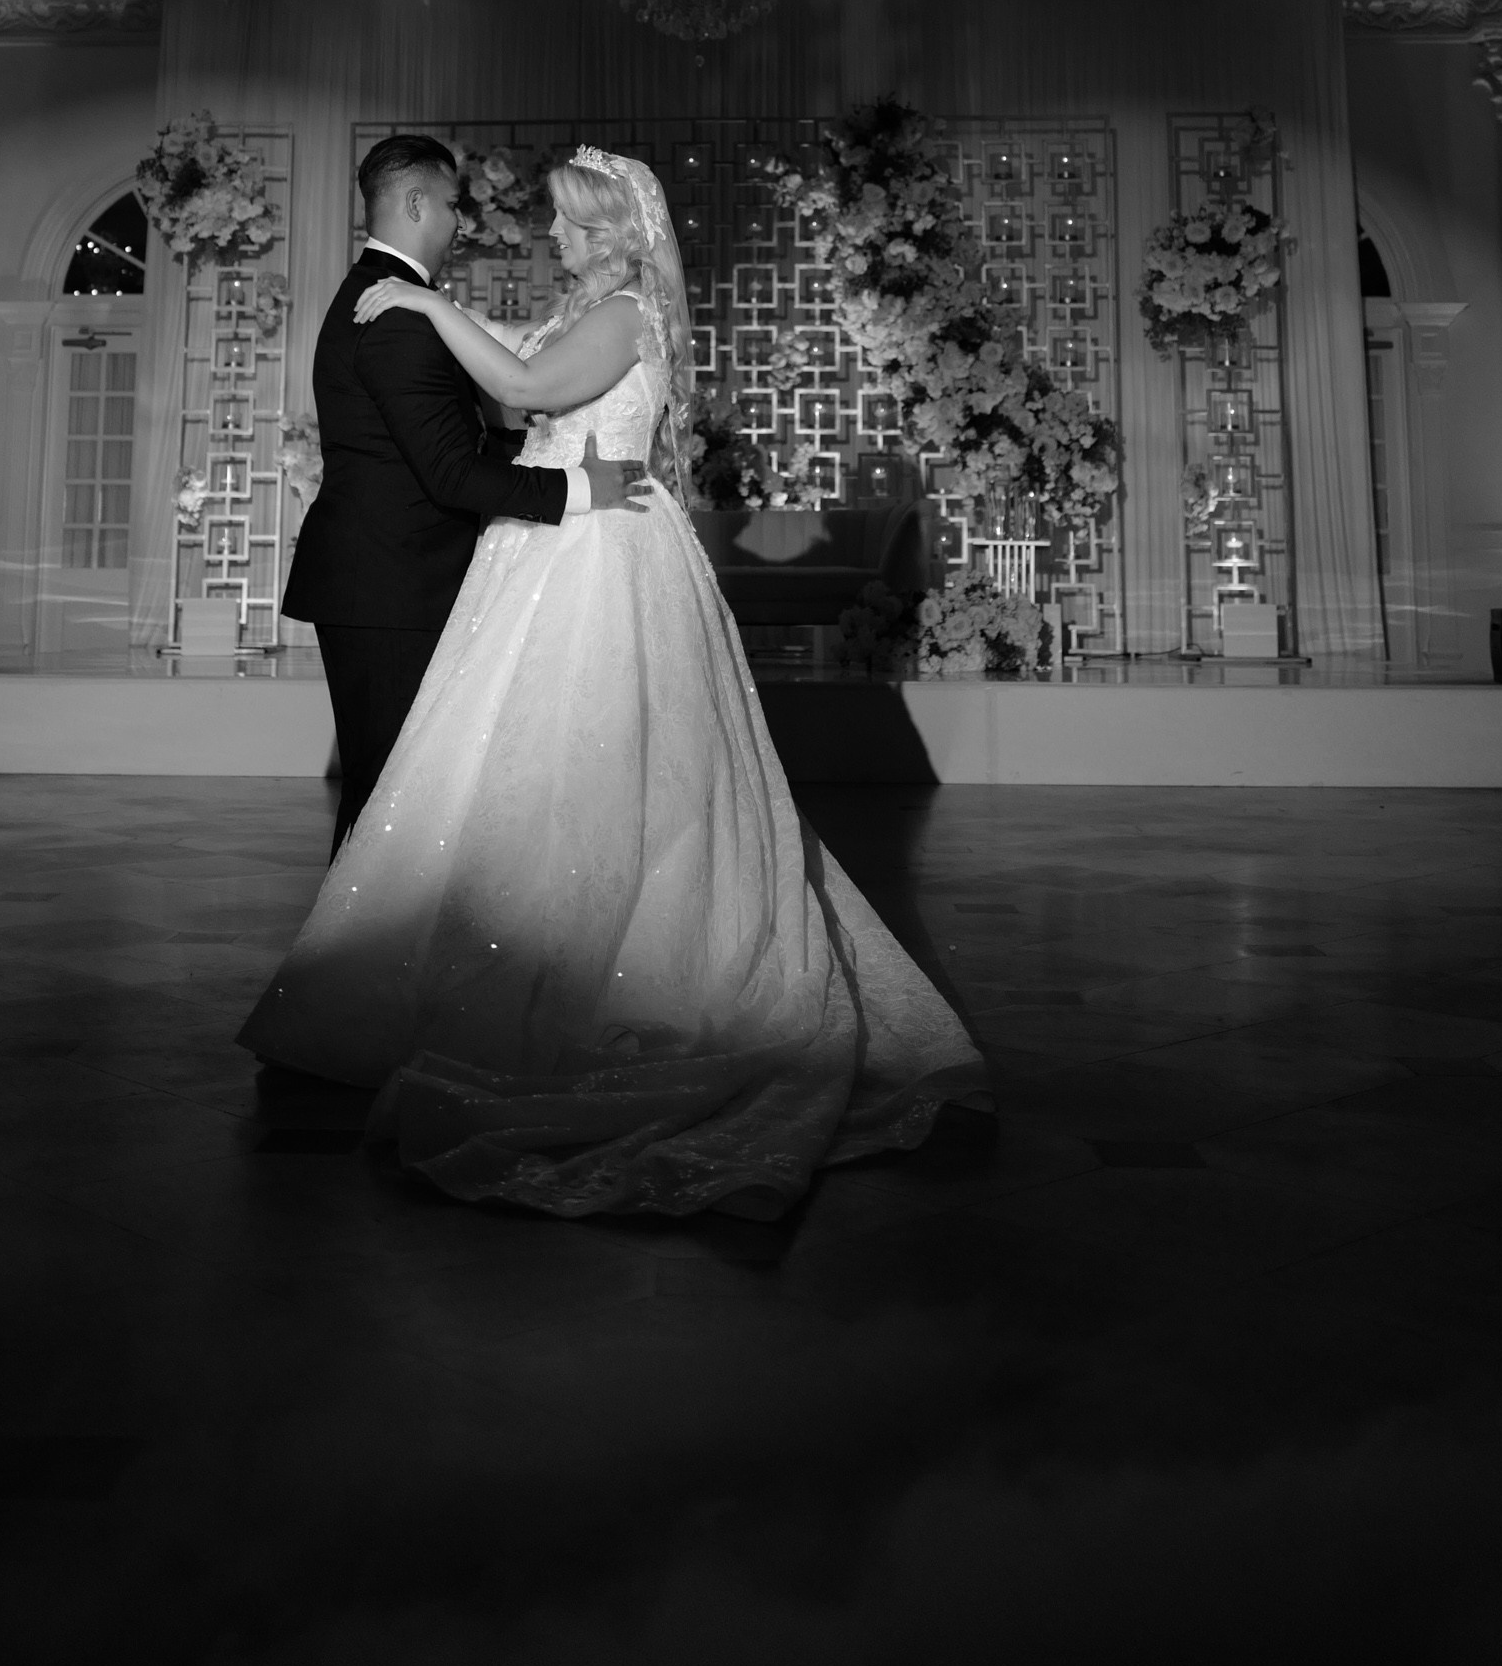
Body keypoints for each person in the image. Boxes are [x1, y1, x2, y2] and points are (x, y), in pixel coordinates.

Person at [240, 146, 990, 1221]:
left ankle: (589, 977)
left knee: (587, 763)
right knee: (506, 767)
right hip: (555, 539)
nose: (548, 236)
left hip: (599, 553)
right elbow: (513, 415)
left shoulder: (625, 311)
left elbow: (522, 390)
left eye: (564, 223)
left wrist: (424, 306)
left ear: (612, 233)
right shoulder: (587, 306)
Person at [281, 133, 653, 856]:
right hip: (390, 586)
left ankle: (363, 952)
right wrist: (578, 485)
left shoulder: (389, 301)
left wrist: (536, 444)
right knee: (391, 794)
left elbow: (468, 438)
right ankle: (355, 957)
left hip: (389, 580)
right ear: (417, 203)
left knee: (396, 791)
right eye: (453, 205)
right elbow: (450, 473)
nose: (461, 222)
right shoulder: (396, 314)